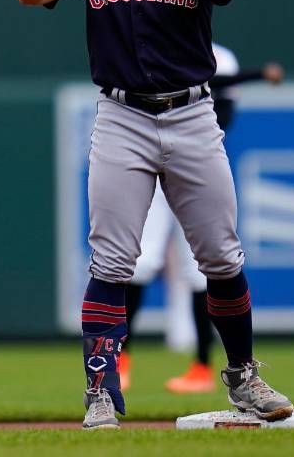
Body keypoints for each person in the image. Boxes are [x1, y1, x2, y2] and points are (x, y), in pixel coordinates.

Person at [16, 0, 293, 430]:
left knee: (220, 255)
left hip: (192, 111)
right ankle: (99, 390)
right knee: (113, 260)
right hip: (122, 116)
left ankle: (242, 375)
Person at [121, 45, 284, 394]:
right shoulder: (152, 41)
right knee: (139, 262)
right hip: (151, 164)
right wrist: (259, 74)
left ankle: (202, 367)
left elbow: (220, 102)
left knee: (202, 270)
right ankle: (121, 360)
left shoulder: (222, 56)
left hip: (192, 170)